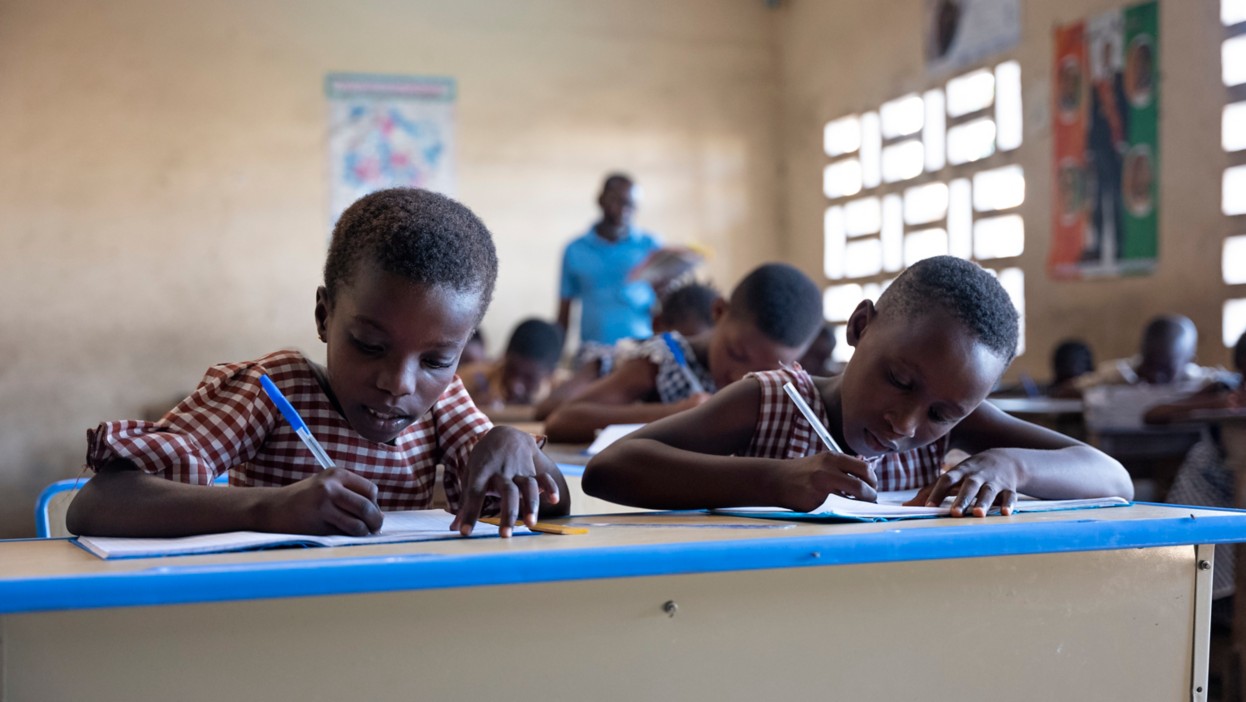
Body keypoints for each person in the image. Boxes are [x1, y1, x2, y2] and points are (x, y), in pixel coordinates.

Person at [67, 188, 568, 539]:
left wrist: (516, 447)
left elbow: (549, 507)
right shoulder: (272, 390)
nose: (398, 383)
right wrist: (271, 507)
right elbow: (99, 504)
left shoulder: (445, 405)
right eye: (370, 345)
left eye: (437, 359)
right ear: (325, 316)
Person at [582, 256, 1133, 515]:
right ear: (860, 327)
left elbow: (1114, 479)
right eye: (897, 380)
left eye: (943, 414)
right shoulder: (773, 399)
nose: (906, 423)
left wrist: (1013, 465)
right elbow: (610, 470)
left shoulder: (948, 428)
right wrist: (773, 480)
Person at [544, 263, 824, 443]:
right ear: (718, 312)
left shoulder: (777, 391)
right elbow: (561, 421)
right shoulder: (661, 362)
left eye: (765, 370)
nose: (740, 376)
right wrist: (676, 413)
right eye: (736, 354)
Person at [1145, 331, 1246, 600]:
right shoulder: (1224, 388)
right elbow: (1152, 414)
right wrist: (1216, 403)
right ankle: (1208, 598)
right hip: (1214, 484)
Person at [535, 282, 721, 422]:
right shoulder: (615, 360)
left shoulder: (708, 377)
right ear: (658, 326)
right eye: (685, 344)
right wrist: (674, 411)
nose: (690, 357)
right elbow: (550, 411)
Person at [557, 173, 662, 346]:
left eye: (631, 205)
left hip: (640, 350)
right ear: (600, 200)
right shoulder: (574, 249)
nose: (623, 210)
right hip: (592, 353)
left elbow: (664, 303)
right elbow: (564, 313)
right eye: (617, 201)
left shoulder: (650, 245)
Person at [1071, 314, 1227, 393]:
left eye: (1166, 369)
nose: (1155, 375)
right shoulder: (1117, 374)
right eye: (1150, 364)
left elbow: (1230, 382)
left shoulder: (1198, 380)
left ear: (1189, 361)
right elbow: (1068, 390)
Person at [460, 318, 565, 409]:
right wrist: (470, 406)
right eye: (510, 370)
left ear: (551, 373)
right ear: (503, 356)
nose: (515, 386)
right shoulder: (468, 379)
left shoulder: (564, 392)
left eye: (529, 377)